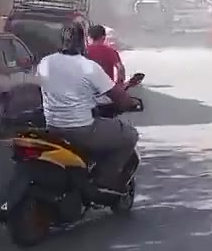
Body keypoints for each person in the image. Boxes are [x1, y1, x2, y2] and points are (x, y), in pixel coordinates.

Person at [36, 22, 138, 194]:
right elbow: (118, 96)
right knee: (130, 135)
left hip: (52, 128)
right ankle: (105, 178)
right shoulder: (88, 67)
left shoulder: (45, 63)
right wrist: (131, 102)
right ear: (83, 42)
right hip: (82, 130)